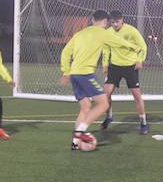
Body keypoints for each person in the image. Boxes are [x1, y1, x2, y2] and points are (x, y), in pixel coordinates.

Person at [60, 10, 140, 151]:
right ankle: (80, 132)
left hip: (74, 74)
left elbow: (65, 52)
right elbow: (119, 42)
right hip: (85, 74)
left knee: (85, 107)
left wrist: (66, 72)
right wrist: (134, 47)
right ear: (105, 22)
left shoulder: (79, 34)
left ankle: (75, 143)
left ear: (92, 20)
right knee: (103, 104)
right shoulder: (103, 33)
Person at [100, 10, 150, 134]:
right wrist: (105, 64)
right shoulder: (108, 33)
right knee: (106, 95)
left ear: (122, 20)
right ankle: (109, 116)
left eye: (117, 22)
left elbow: (143, 46)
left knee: (136, 96)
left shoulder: (132, 31)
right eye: (112, 22)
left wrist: (140, 60)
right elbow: (106, 49)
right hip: (114, 67)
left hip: (130, 67)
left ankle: (143, 123)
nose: (115, 24)